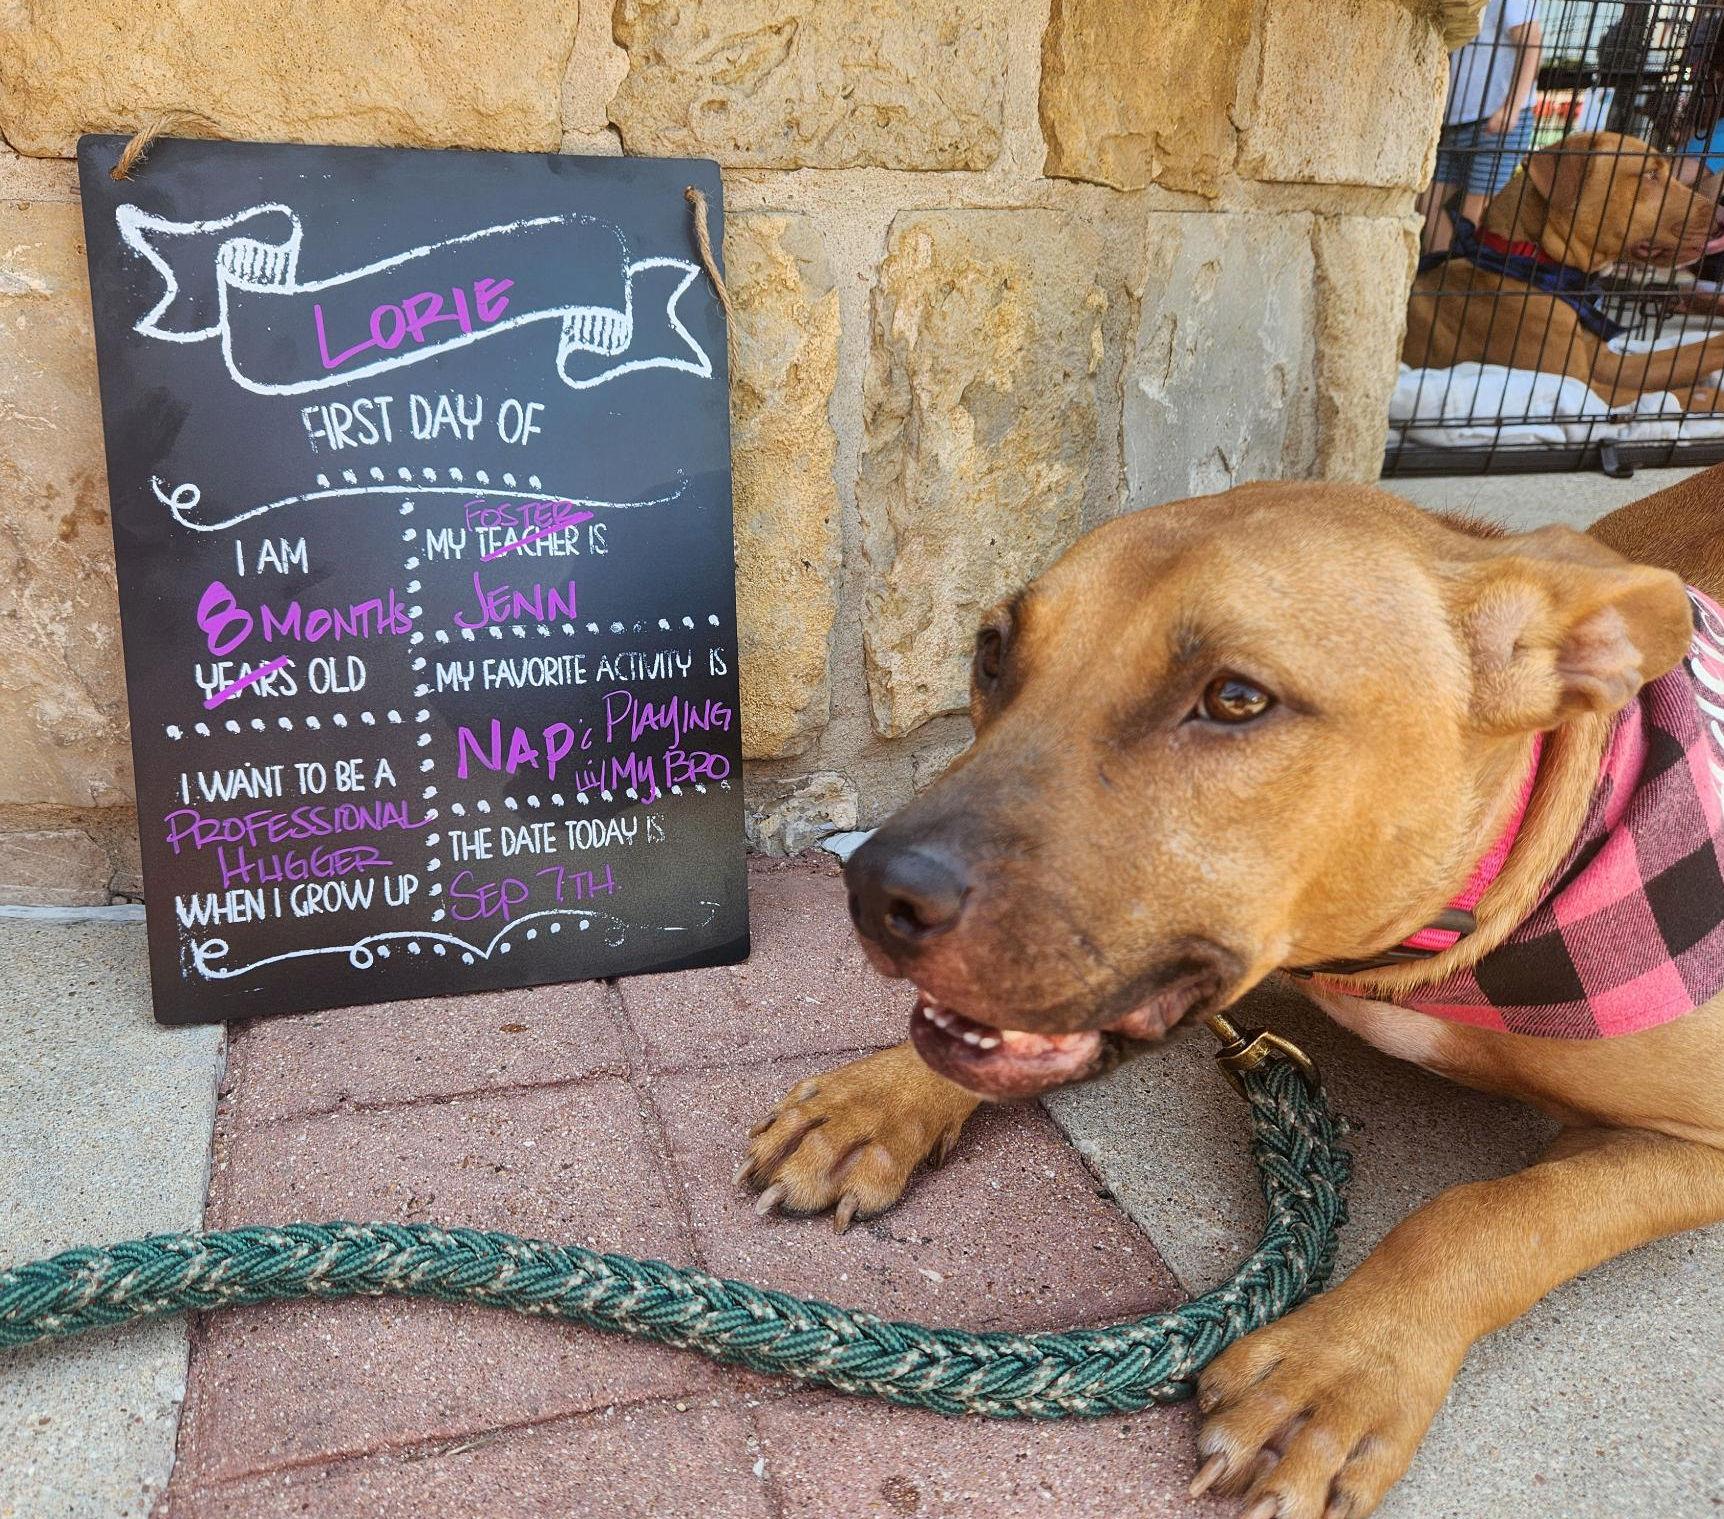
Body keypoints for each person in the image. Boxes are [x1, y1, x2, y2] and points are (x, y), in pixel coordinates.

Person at [1420, 1, 1544, 254]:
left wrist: (1512, 107)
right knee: (1426, 199)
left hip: (1495, 121)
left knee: (1472, 216)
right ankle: (1440, 270)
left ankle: (1455, 279)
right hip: (1455, 120)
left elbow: (1532, 44)